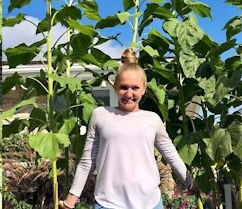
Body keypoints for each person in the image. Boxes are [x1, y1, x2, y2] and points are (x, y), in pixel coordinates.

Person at [60, 48, 197, 209]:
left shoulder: (152, 119)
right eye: (123, 87)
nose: (129, 93)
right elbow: (87, 162)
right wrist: (71, 200)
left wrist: (190, 183)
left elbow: (171, 155)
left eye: (135, 88)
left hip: (149, 203)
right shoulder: (100, 115)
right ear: (115, 86)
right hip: (108, 203)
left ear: (144, 89)